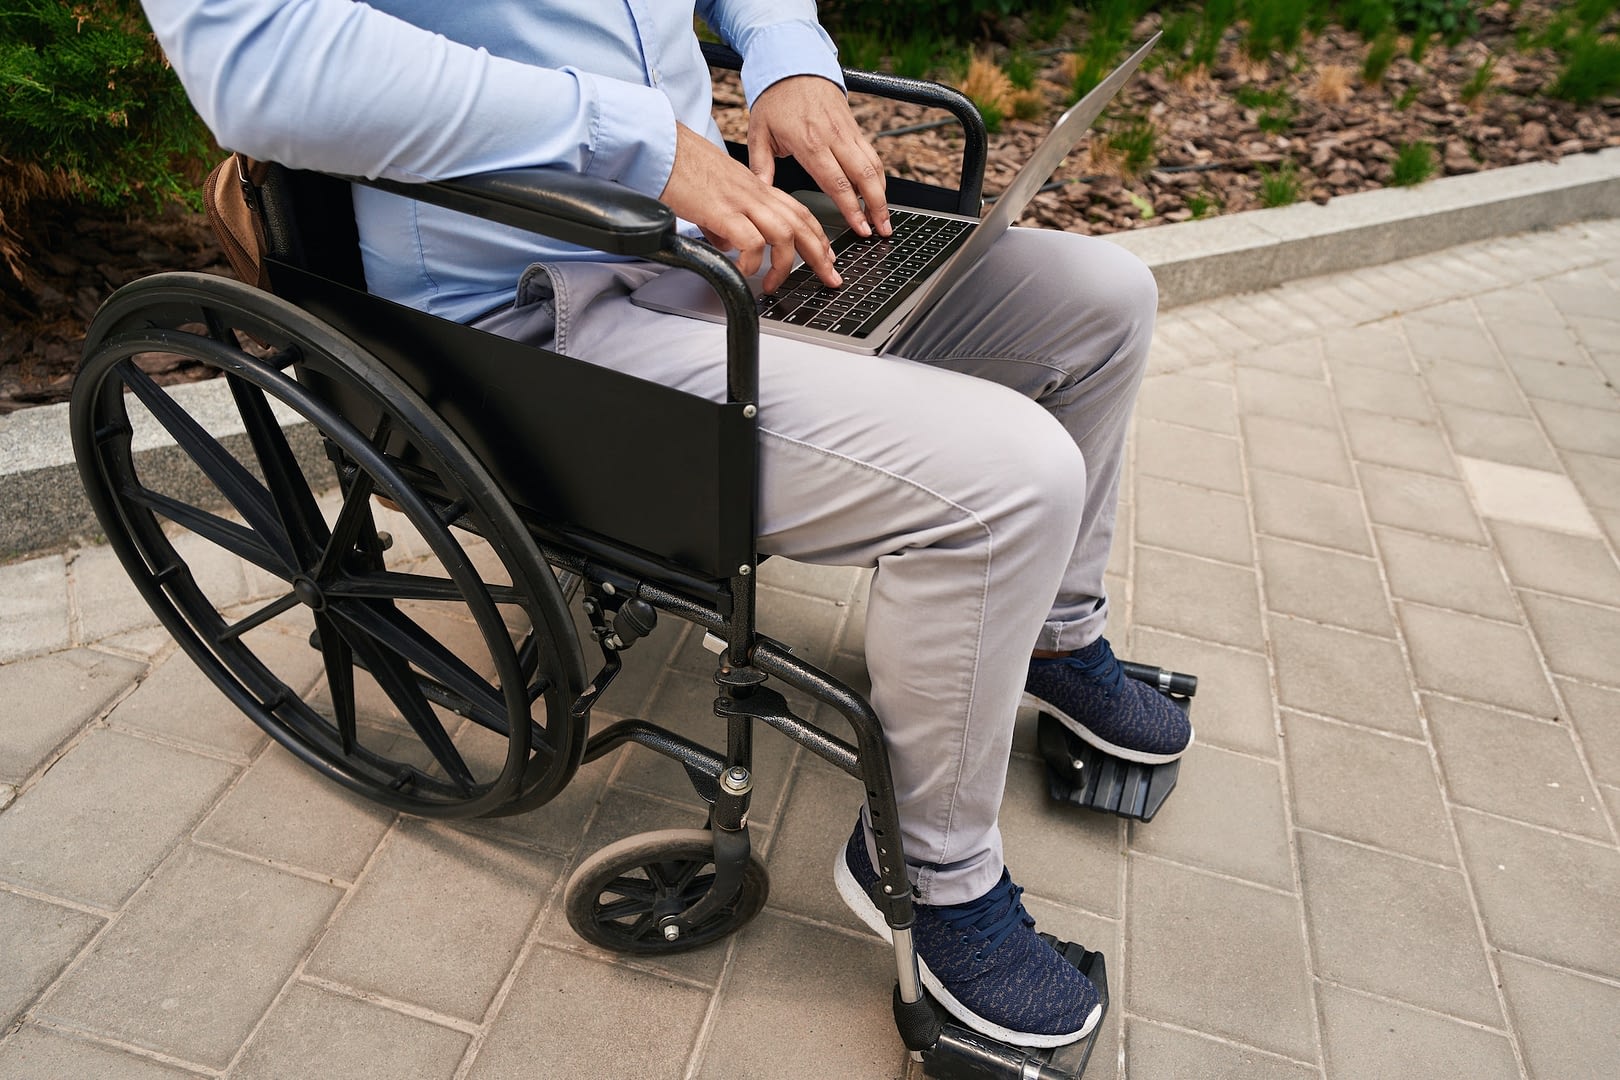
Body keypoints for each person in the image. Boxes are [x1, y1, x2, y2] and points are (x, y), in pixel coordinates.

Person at [140, 0, 1191, 1048]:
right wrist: (640, 142)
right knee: (1011, 481)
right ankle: (930, 869)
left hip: (710, 239)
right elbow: (259, 62)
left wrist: (786, 54)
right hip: (525, 316)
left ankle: (1052, 635)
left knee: (1103, 298)